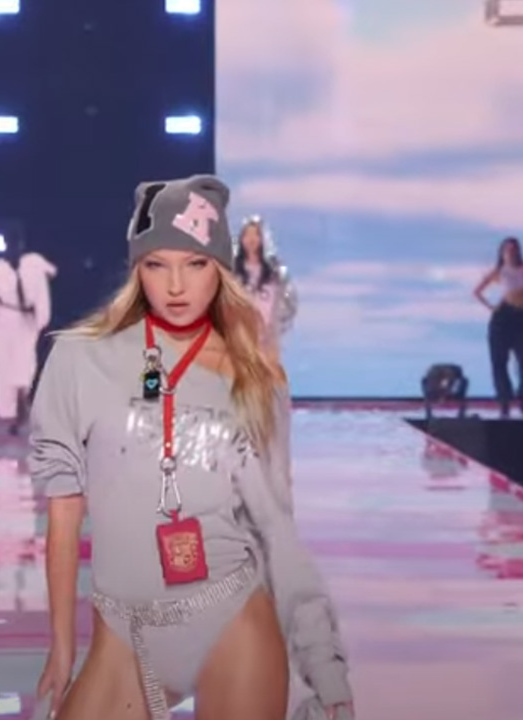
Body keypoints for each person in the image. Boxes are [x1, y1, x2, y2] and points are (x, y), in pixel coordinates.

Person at [30, 176, 352, 720]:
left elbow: (276, 530)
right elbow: (63, 509)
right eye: (157, 264)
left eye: (196, 264)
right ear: (137, 269)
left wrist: (327, 669)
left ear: (219, 269)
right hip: (121, 631)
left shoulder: (256, 380)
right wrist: (61, 645)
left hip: (230, 617)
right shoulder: (78, 359)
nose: (176, 285)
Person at [0, 235, 57, 434]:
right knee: (5, 362)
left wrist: (41, 318)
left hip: (23, 320)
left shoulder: (33, 265)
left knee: (22, 362)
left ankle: (20, 403)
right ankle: (12, 407)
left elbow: (42, 291)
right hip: (7, 318)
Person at [473, 237, 523, 418]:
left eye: (513, 249)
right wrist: (491, 307)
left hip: (522, 317)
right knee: (499, 361)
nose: (510, 253)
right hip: (503, 317)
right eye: (507, 250)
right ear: (502, 253)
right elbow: (477, 291)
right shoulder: (499, 271)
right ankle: (504, 400)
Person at [233, 216, 298, 352]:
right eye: (247, 234)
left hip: (267, 343)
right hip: (239, 341)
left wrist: (274, 331)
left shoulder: (275, 274)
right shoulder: (233, 273)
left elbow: (288, 304)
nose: (251, 239)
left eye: (256, 234)